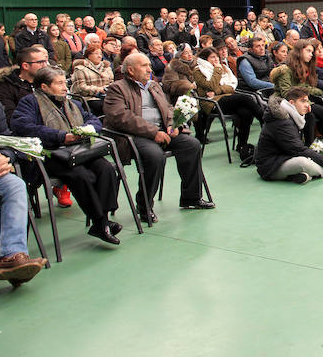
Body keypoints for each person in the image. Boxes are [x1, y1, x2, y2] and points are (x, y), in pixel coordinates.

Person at [11, 66, 122, 245]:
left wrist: (88, 129)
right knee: (80, 175)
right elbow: (23, 126)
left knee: (106, 168)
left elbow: (91, 118)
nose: (65, 87)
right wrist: (61, 136)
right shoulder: (30, 102)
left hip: (79, 150)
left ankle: (103, 219)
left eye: (65, 82)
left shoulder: (71, 103)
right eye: (59, 83)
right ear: (44, 87)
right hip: (51, 153)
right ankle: (101, 222)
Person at [104, 52, 214, 223]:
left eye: (149, 65)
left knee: (191, 145)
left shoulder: (154, 85)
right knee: (155, 156)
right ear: (131, 70)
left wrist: (173, 124)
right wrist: (153, 132)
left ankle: (191, 198)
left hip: (163, 131)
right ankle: (144, 205)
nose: (149, 69)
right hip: (134, 136)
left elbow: (167, 107)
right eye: (144, 66)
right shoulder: (117, 88)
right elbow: (121, 118)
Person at [0, 57, 48, 285]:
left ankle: (13, 254)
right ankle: (11, 263)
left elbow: (6, 138)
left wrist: (6, 156)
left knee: (15, 185)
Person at [254, 88, 323, 184]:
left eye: (307, 101)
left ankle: (300, 176)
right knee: (302, 162)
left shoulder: (292, 116)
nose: (307, 105)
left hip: (285, 157)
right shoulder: (282, 122)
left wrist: (307, 115)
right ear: (292, 103)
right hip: (270, 166)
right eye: (303, 101)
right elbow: (298, 149)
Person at [193, 47, 264, 158]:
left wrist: (218, 90)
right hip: (212, 103)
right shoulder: (198, 70)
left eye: (217, 56)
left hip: (226, 98)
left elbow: (232, 86)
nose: (216, 59)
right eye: (212, 57)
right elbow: (210, 85)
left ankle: (241, 145)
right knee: (245, 98)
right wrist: (217, 70)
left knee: (246, 113)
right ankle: (264, 117)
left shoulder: (223, 67)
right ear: (205, 59)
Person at [269, 39, 323, 151]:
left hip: (299, 100)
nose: (311, 54)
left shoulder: (302, 66)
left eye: (312, 52)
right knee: (310, 116)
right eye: (308, 51)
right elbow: (286, 93)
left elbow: (306, 88)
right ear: (300, 51)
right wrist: (306, 102)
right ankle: (310, 147)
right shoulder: (285, 69)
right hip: (285, 103)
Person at [70, 43, 114, 115]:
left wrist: (107, 89)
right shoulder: (80, 68)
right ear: (89, 55)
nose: (99, 56)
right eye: (96, 53)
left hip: (106, 96)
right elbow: (80, 87)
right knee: (104, 106)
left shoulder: (107, 68)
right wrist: (99, 90)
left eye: (100, 54)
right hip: (88, 98)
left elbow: (111, 82)